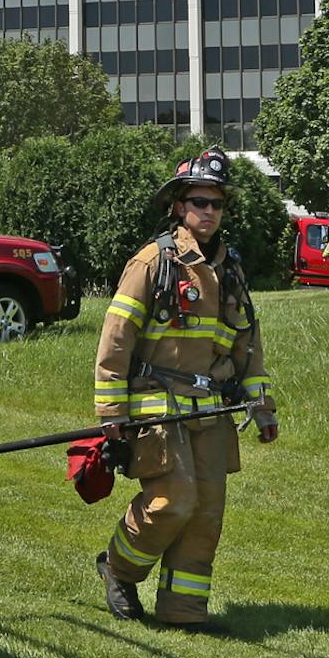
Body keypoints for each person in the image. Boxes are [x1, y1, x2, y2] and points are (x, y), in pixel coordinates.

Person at [93, 149, 279, 628]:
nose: (210, 212)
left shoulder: (229, 268)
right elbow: (116, 337)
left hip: (211, 410)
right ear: (179, 205)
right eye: (200, 202)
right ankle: (117, 568)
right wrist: (111, 410)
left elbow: (246, 342)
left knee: (205, 516)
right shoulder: (152, 262)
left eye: (217, 204)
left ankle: (183, 612)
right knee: (173, 502)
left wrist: (262, 407)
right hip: (158, 405)